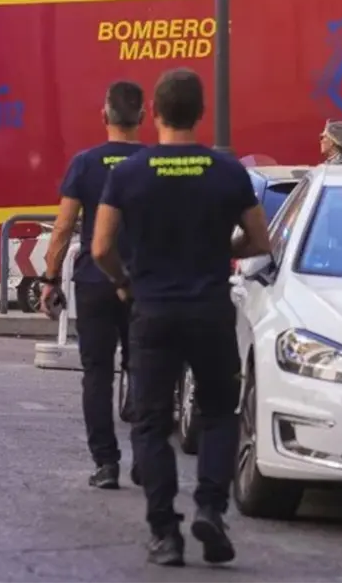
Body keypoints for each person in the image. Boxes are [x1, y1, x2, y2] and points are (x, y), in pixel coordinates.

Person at [91, 68, 271, 567]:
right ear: (200, 112)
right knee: (218, 413)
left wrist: (125, 280)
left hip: (152, 311)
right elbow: (260, 241)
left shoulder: (127, 174)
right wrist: (222, 249)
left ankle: (165, 533)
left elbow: (101, 246)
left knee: (152, 423)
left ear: (155, 112)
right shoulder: (227, 172)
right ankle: (211, 508)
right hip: (210, 311)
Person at [41, 81, 145, 490]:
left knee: (97, 374)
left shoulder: (84, 163)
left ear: (104, 116)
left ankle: (106, 464)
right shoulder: (153, 162)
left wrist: (51, 280)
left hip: (94, 280)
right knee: (143, 369)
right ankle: (144, 456)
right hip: (142, 283)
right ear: (141, 116)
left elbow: (63, 229)